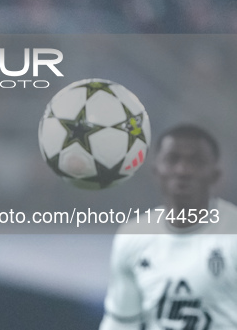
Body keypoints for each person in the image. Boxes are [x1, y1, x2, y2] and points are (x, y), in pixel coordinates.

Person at [99, 124, 237, 330]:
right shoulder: (132, 237)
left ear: (215, 174)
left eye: (196, 161)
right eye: (173, 159)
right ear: (156, 170)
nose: (183, 170)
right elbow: (121, 322)